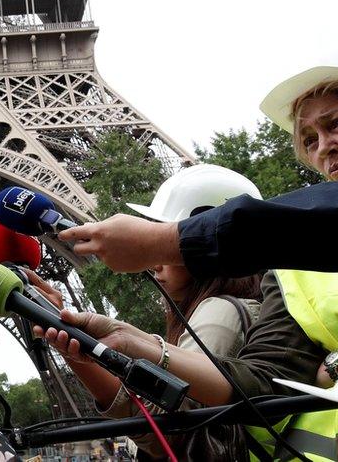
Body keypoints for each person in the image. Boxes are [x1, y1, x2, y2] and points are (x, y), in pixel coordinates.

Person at [47, 67, 338, 460]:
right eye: (309, 140)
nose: (323, 146)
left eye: (337, 123)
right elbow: (263, 383)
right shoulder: (288, 273)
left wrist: (164, 241)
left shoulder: (223, 308)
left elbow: (193, 431)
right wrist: (135, 342)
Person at [37, 164, 266, 458]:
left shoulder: (218, 313)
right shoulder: (231, 307)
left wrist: (83, 353)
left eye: (170, 242)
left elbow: (174, 430)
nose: (155, 261)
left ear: (206, 244)